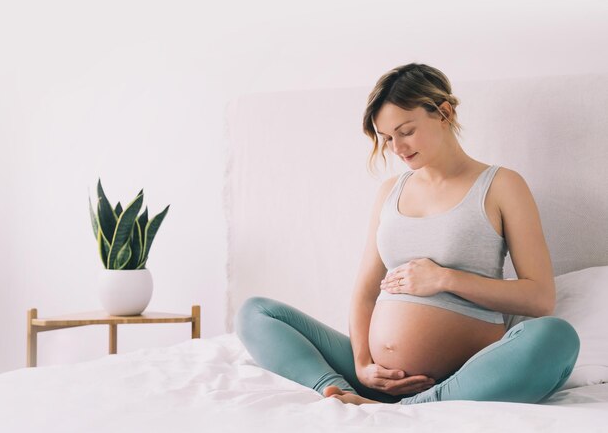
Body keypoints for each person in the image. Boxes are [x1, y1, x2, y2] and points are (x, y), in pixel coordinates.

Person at [234, 63, 580, 405]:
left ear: (443, 113)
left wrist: (445, 279)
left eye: (406, 131)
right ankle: (340, 392)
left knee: (556, 337)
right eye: (386, 138)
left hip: (464, 378)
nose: (397, 147)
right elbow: (365, 293)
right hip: (375, 378)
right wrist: (363, 364)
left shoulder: (501, 185)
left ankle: (420, 406)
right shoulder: (389, 192)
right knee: (255, 312)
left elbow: (539, 298)